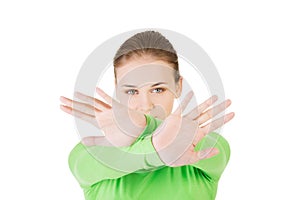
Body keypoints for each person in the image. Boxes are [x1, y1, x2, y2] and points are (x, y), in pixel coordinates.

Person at [60, 30, 235, 200]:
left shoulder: (208, 144)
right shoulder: (88, 153)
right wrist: (155, 140)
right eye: (131, 91)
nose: (145, 105)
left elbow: (211, 153)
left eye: (158, 89)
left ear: (178, 87)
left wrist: (146, 125)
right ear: (116, 88)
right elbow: (95, 164)